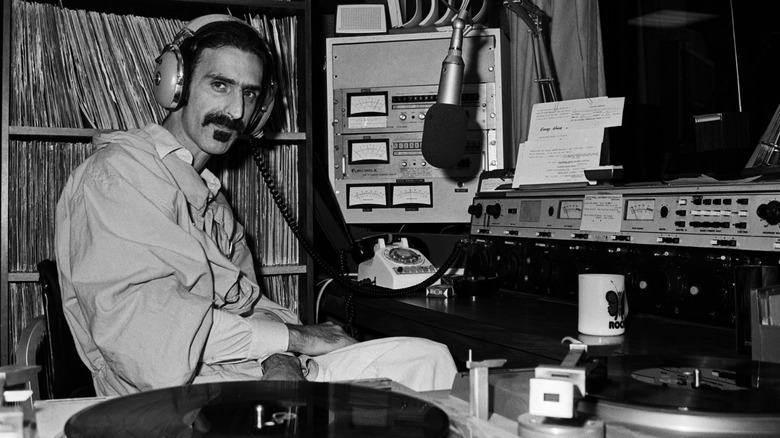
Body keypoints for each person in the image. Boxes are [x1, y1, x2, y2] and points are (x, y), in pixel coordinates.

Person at [54, 15, 457, 397]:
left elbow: (252, 308)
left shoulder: (209, 198)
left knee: (427, 359)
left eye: (248, 94)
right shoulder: (116, 180)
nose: (235, 111)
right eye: (219, 85)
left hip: (250, 378)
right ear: (175, 84)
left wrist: (280, 359)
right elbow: (151, 342)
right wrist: (296, 339)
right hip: (178, 401)